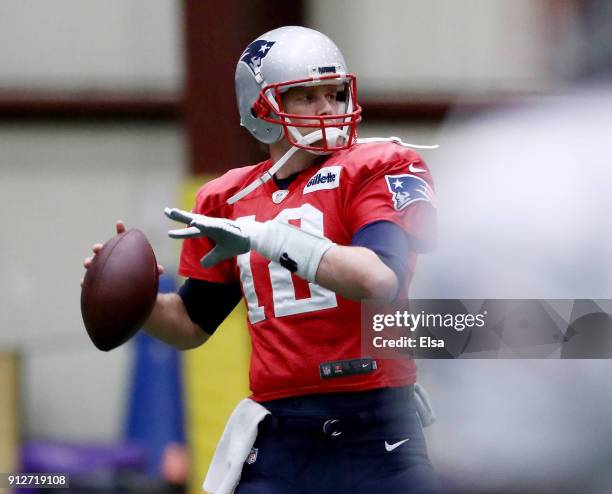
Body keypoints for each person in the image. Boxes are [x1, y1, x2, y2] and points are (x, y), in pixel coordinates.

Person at [84, 26, 440, 494]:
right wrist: (139, 298)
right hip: (281, 437)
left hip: (376, 432)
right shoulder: (229, 198)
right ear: (261, 108)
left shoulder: (375, 167)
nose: (328, 109)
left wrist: (268, 236)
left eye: (333, 93)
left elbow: (378, 279)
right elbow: (191, 324)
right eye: (306, 97)